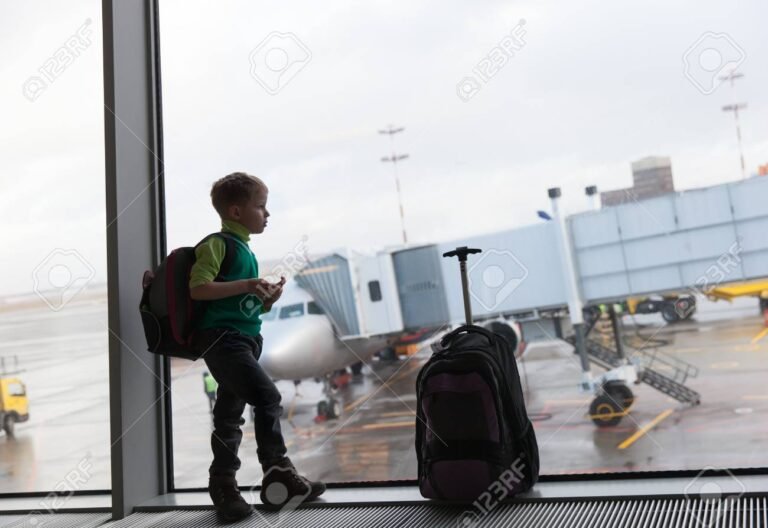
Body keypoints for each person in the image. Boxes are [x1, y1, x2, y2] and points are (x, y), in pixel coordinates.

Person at [189, 172, 325, 521]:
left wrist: (266, 301)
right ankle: (276, 471)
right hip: (224, 341)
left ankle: (224, 485)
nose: (267, 214)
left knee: (228, 417)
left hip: (244, 340)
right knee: (268, 398)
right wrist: (248, 284)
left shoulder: (244, 249)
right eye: (261, 206)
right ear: (236, 211)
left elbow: (239, 306)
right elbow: (198, 289)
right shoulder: (217, 245)